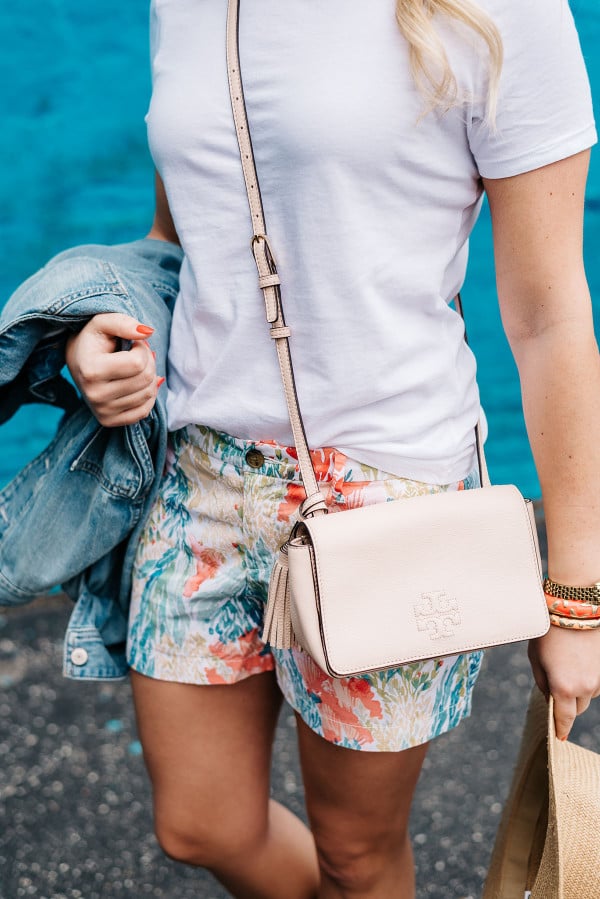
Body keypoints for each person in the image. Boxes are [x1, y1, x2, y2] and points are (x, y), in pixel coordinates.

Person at [63, 1, 600, 896]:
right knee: (198, 822)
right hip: (202, 479)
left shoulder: (493, 11)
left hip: (388, 496)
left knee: (356, 853)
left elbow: (549, 315)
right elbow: (181, 242)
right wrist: (103, 340)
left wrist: (579, 593)